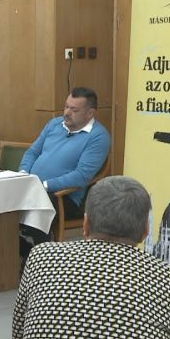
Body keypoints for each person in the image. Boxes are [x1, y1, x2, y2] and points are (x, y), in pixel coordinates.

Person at [12, 176, 170, 339]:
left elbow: (19, 336)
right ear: (145, 231)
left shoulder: (41, 257)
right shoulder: (169, 277)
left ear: (85, 224)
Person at [18, 87, 110, 248]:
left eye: (74, 110)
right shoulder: (55, 124)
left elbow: (81, 176)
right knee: (3, 198)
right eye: (66, 106)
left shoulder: (98, 137)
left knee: (39, 204)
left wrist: (44, 185)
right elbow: (33, 152)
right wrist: (24, 173)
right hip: (33, 187)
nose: (66, 112)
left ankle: (37, 252)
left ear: (90, 113)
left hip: (63, 196)